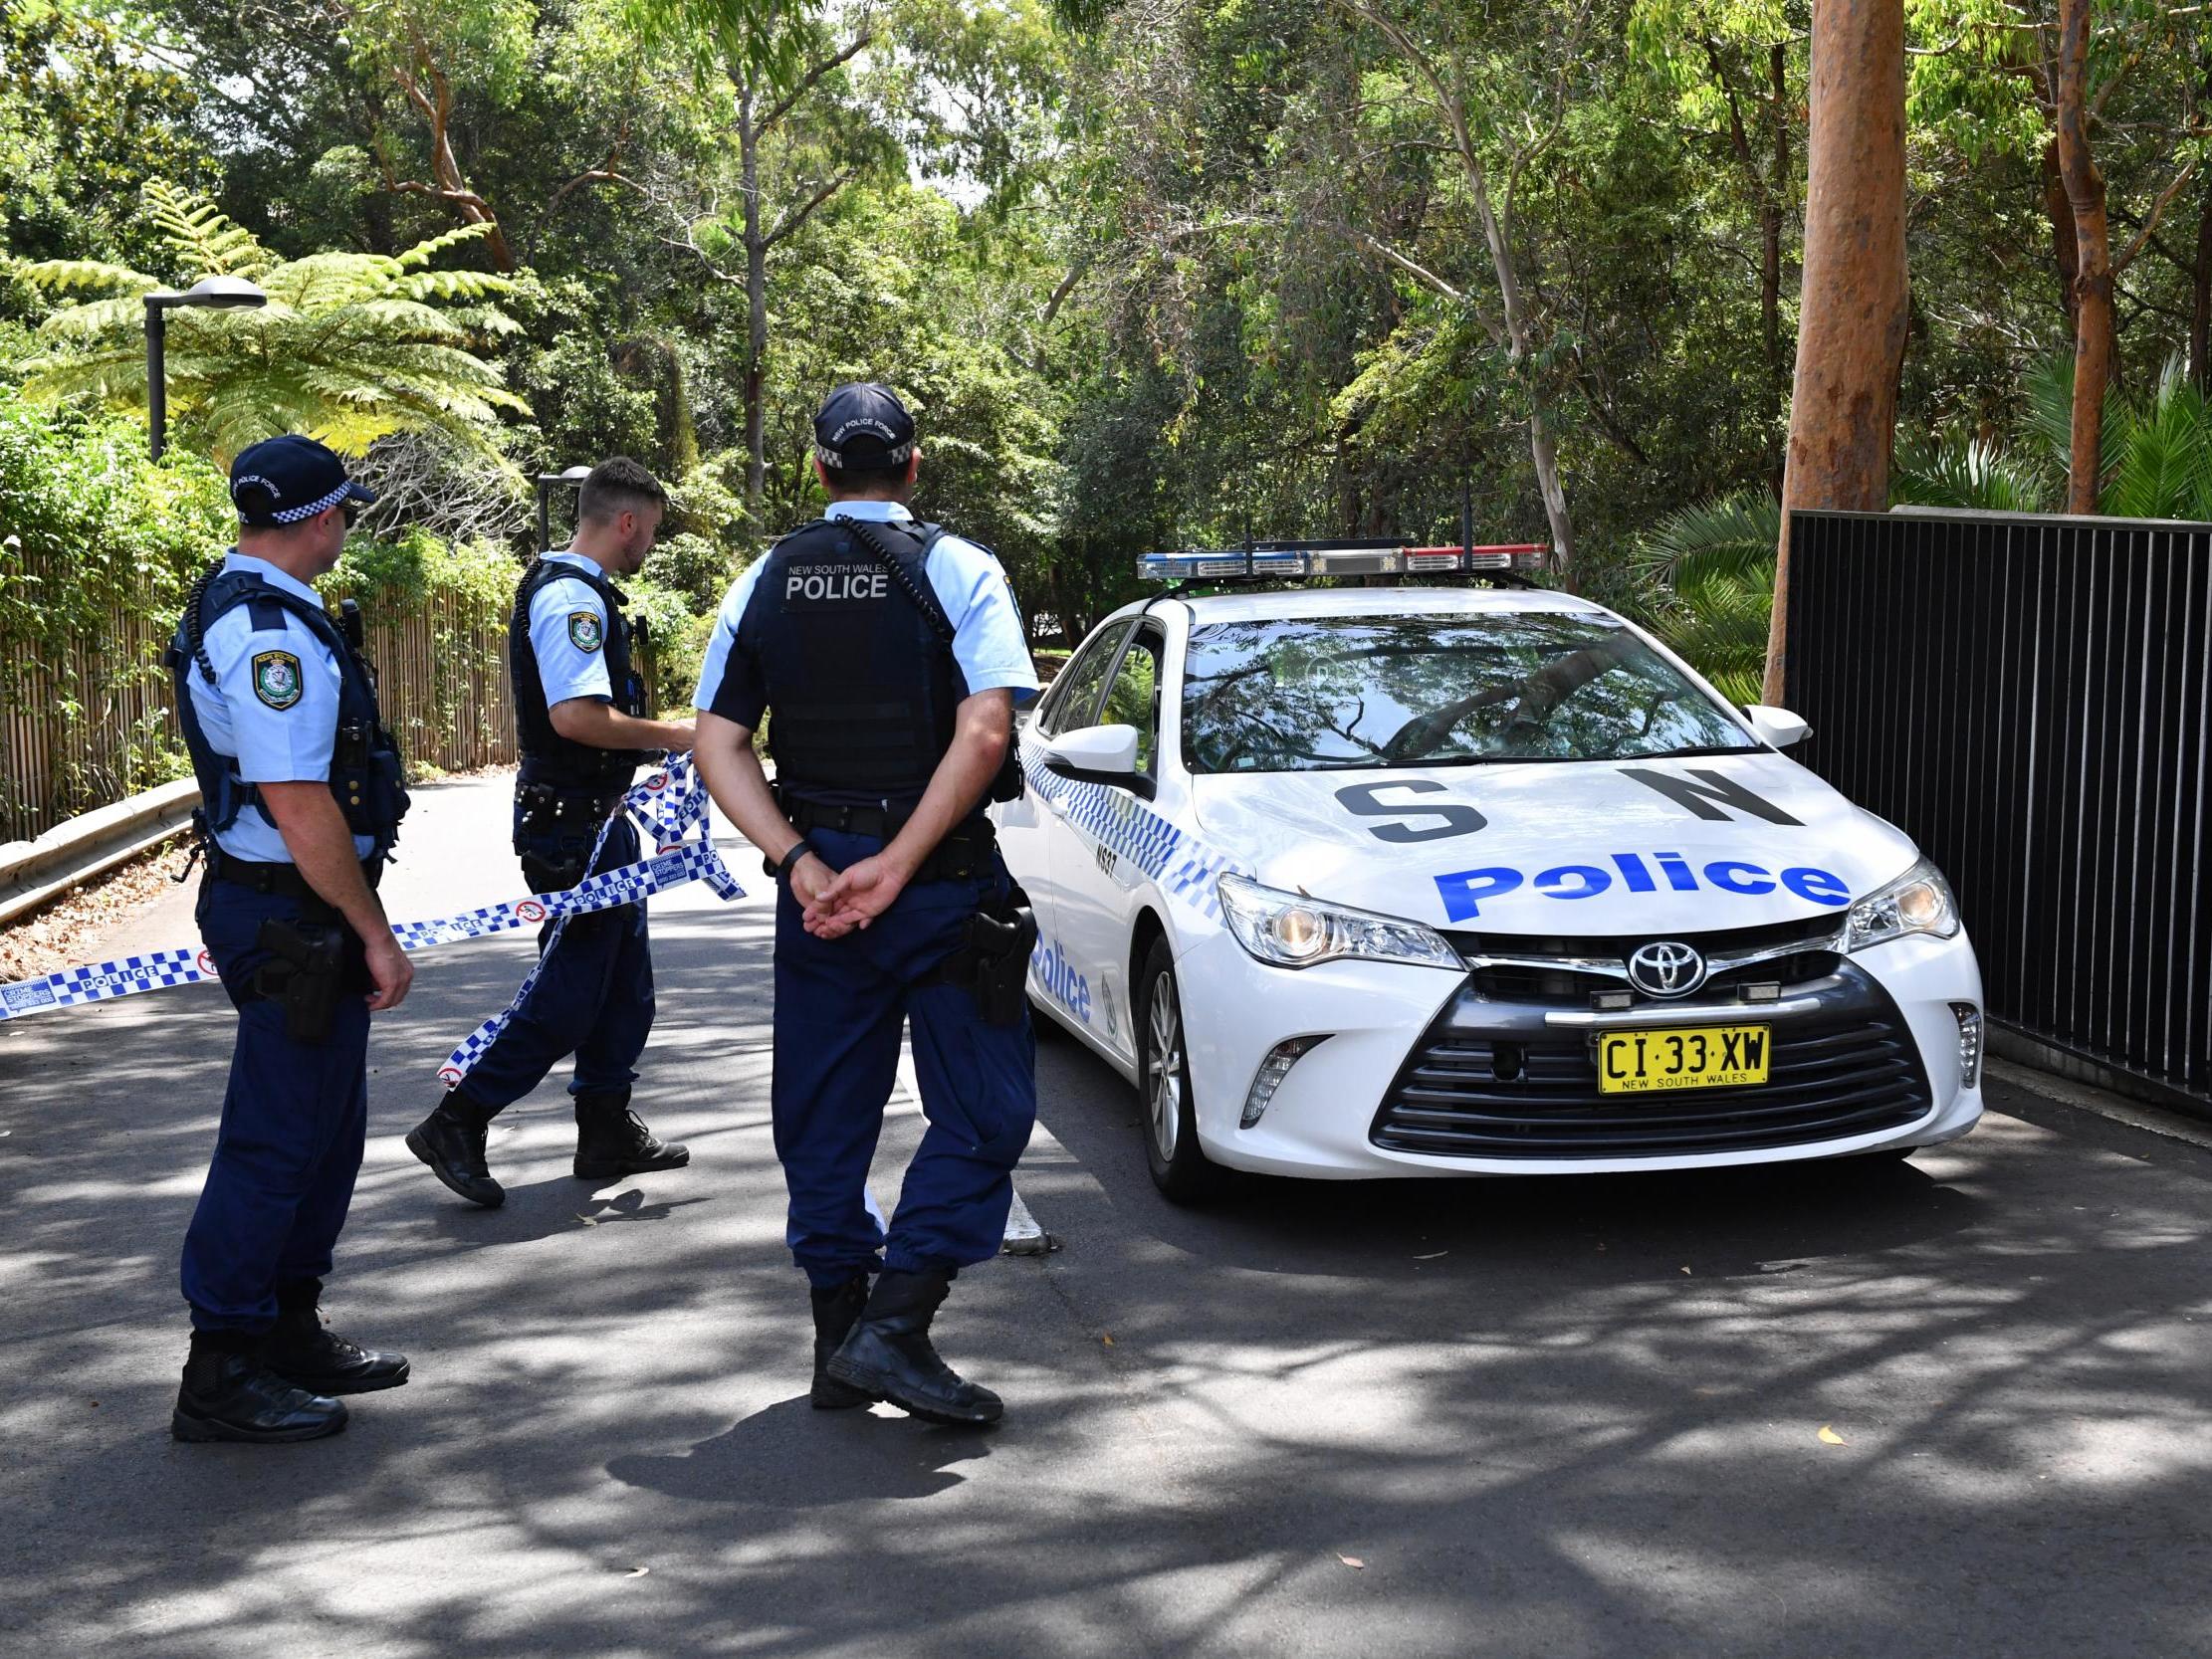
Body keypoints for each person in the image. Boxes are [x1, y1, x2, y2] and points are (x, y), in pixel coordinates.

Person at [692, 383, 1040, 1428]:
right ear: (914, 465)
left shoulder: (763, 576)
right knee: (984, 1109)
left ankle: (839, 1339)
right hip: (931, 875)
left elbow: (717, 740)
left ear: (817, 471)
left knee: (823, 1116)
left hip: (823, 878)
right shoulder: (960, 568)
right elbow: (983, 732)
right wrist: (897, 861)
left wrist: (797, 856)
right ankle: (891, 1329)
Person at [166, 435, 414, 1443]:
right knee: (276, 1139)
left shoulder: (262, 608)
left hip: (289, 904)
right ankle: (222, 1364)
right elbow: (298, 800)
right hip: (286, 908)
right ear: (320, 518)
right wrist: (374, 931)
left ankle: (285, 1324)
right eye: (344, 511)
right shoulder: (266, 631)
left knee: (322, 1128)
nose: (344, 526)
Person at [407, 458, 696, 1209]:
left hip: (597, 820)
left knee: (624, 987)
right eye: (652, 531)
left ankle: (605, 1127)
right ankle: (457, 1118)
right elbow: (575, 717)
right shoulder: (573, 598)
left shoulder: (578, 589)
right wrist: (673, 735)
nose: (651, 546)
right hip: (572, 828)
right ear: (626, 521)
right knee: (569, 992)